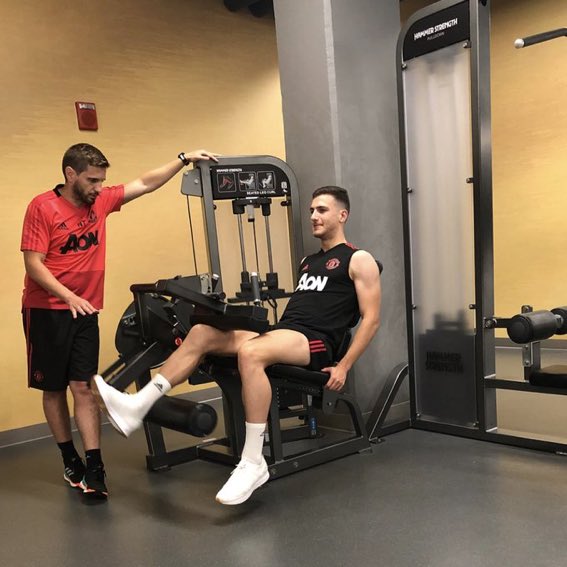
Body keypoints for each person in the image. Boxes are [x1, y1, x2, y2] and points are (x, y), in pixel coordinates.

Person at [92, 185, 381, 505]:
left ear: (342, 215)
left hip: (316, 342)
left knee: (250, 351)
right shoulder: (308, 262)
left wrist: (343, 366)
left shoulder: (358, 259)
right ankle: (138, 406)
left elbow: (371, 319)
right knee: (202, 332)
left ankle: (254, 461)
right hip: (286, 332)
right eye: (311, 210)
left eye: (322, 210)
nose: (313, 215)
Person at [21, 143, 218, 500]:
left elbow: (144, 183)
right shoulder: (42, 206)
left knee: (83, 387)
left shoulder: (100, 202)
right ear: (70, 174)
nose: (99, 187)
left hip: (85, 311)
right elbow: (34, 263)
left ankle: (95, 466)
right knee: (54, 389)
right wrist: (68, 296)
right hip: (46, 311)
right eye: (92, 180)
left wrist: (182, 159)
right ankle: (69, 459)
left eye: (102, 180)